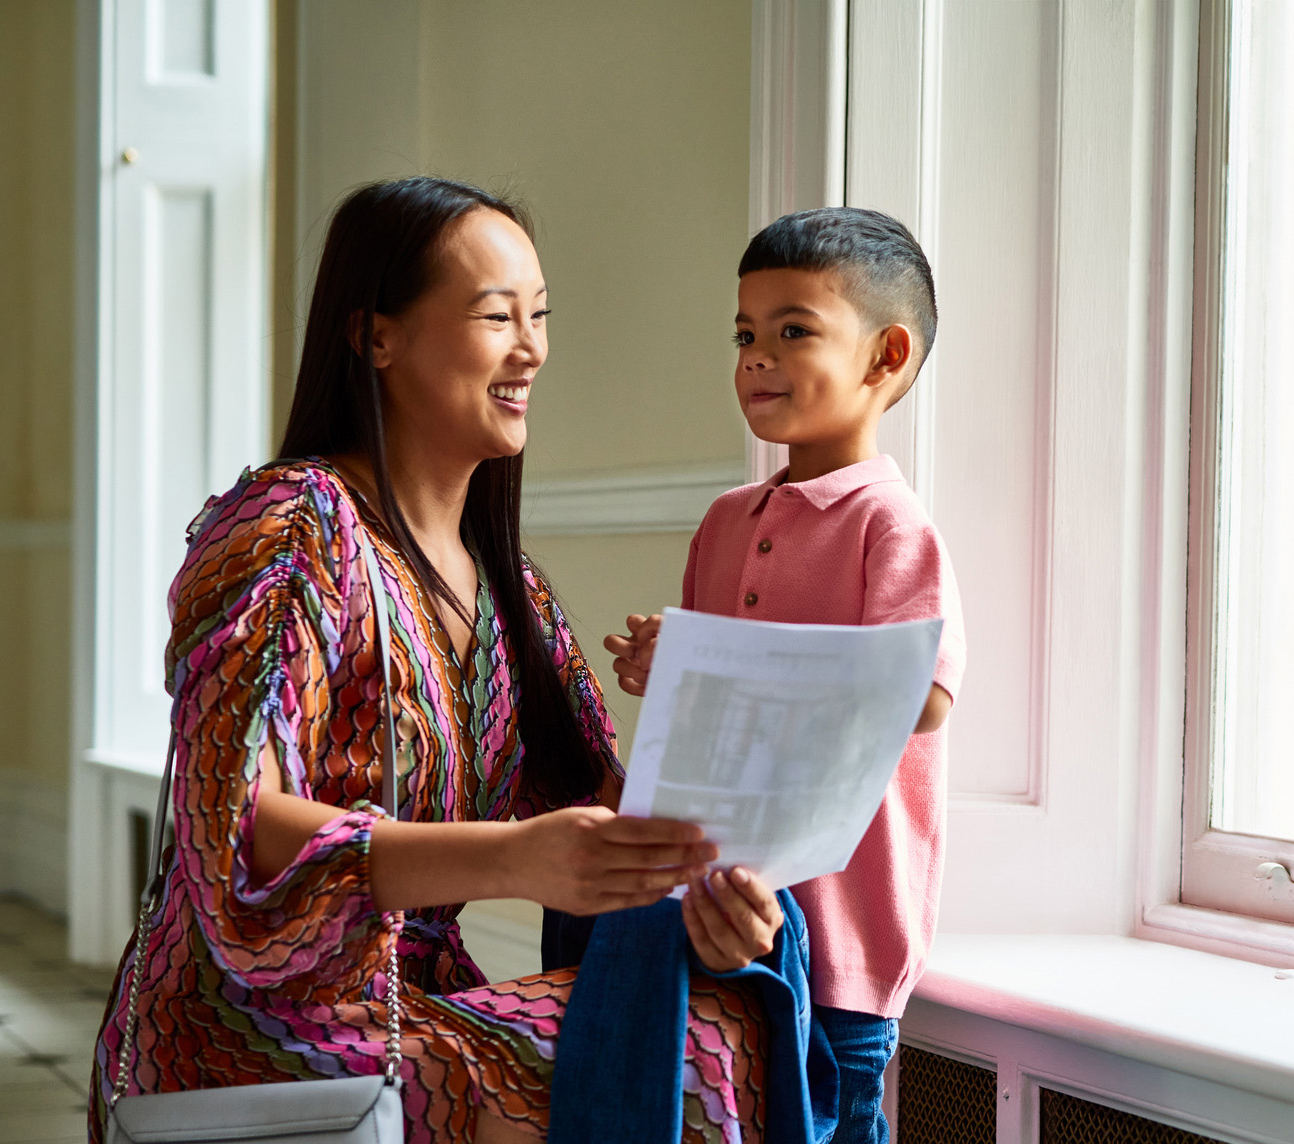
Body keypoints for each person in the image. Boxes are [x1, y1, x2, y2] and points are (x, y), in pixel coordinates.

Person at [87, 176, 787, 1144]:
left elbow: (610, 812)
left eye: (538, 316)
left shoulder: (509, 586)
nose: (532, 348)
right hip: (253, 1023)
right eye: (497, 315)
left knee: (716, 1020)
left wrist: (710, 889)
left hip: (410, 1006)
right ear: (376, 335)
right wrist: (512, 857)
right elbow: (231, 820)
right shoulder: (290, 525)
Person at [604, 207, 966, 1144]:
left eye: (793, 330)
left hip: (841, 935)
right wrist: (668, 662)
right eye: (744, 334)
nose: (756, 358)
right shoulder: (726, 519)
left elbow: (921, 697)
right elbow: (705, 703)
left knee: (831, 1119)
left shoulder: (893, 527)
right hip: (717, 911)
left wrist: (762, 670)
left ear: (885, 356)